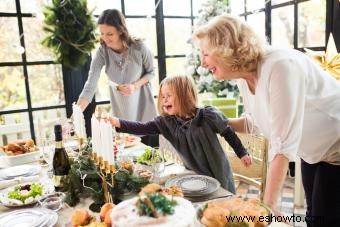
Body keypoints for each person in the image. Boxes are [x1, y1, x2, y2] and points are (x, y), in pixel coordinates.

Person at [193, 14, 340, 226]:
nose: (202, 63)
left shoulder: (281, 66)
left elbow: (282, 144)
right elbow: (256, 122)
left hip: (336, 144)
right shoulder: (244, 77)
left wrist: (268, 206)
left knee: (325, 219)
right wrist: (215, 123)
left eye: (205, 54)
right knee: (313, 215)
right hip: (314, 151)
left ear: (225, 48)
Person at [107, 75, 252, 193]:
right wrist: (118, 122)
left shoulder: (208, 115)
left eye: (169, 95)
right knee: (199, 197)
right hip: (193, 173)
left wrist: (242, 152)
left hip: (217, 169)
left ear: (185, 95)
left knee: (222, 196)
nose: (164, 99)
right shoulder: (166, 122)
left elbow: (228, 132)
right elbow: (142, 128)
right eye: (162, 96)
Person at [76, 9, 158, 147]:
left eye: (110, 34)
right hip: (121, 117)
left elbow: (152, 72)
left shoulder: (139, 48)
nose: (105, 38)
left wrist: (135, 86)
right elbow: (90, 86)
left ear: (120, 30)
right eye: (102, 33)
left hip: (144, 114)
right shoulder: (102, 52)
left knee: (148, 163)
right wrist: (75, 115)